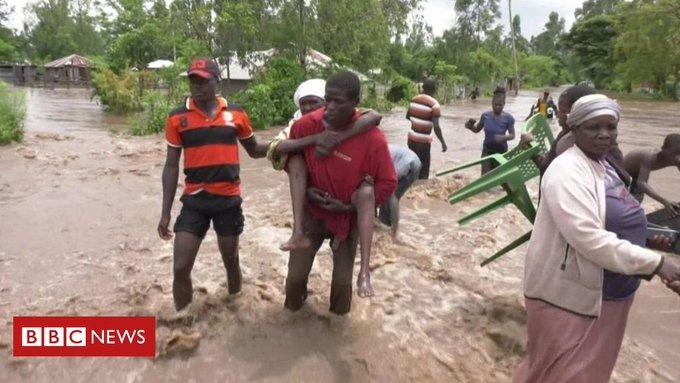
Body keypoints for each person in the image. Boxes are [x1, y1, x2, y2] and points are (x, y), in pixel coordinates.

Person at [514, 94, 680, 383]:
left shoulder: (604, 165)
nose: (605, 135)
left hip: (608, 294)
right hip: (568, 297)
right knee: (558, 374)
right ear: (575, 129)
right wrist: (657, 264)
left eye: (611, 126)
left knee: (584, 372)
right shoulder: (566, 172)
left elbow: (611, 219)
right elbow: (588, 238)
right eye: (594, 127)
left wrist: (646, 240)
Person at [158, 58, 270, 311]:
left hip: (228, 200)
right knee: (180, 267)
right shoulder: (177, 117)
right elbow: (171, 165)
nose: (197, 86)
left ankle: (234, 309)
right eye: (193, 80)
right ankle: (182, 320)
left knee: (231, 261)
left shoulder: (236, 113)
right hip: (194, 201)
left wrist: (289, 145)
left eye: (203, 81)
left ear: (217, 82)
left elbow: (254, 150)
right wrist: (165, 212)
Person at [284, 71, 397, 314]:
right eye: (328, 100)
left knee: (343, 284)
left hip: (346, 218)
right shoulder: (305, 126)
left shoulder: (373, 139)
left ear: (356, 103)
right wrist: (307, 193)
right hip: (312, 213)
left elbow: (387, 182)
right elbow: (293, 164)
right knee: (294, 279)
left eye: (339, 102)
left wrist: (348, 206)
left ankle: (337, 331)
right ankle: (292, 323)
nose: (330, 108)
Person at [266, 79, 382, 251]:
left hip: (343, 200)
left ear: (327, 102)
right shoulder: (298, 125)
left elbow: (374, 116)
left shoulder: (345, 118)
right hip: (310, 200)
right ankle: (298, 233)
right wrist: (315, 139)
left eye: (313, 102)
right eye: (303, 103)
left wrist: (338, 138)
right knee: (296, 160)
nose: (307, 108)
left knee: (342, 275)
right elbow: (272, 149)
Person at [624, 133, 680, 216]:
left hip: (637, 176)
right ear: (663, 149)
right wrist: (664, 201)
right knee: (624, 204)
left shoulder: (677, 160)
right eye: (674, 153)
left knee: (635, 203)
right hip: (622, 174)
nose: (677, 158)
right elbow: (642, 183)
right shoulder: (650, 156)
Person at [464, 87, 516, 175]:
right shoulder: (485, 116)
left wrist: (503, 137)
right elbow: (477, 129)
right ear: (492, 103)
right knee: (485, 178)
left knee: (499, 178)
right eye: (495, 104)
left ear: (504, 104)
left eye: (500, 105)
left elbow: (512, 135)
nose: (497, 107)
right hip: (487, 151)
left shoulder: (508, 118)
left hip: (501, 153)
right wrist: (470, 127)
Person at [378, 145, 421, 241]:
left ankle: (394, 232)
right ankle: (385, 225)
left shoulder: (376, 154)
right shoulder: (376, 149)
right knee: (385, 194)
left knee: (391, 194)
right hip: (412, 161)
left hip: (409, 164)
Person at [406, 79, 447, 179]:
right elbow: (436, 126)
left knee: (412, 170)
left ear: (423, 87)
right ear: (434, 89)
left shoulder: (414, 99)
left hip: (411, 140)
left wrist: (419, 120)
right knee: (423, 173)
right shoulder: (434, 104)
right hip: (423, 143)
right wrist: (443, 142)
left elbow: (408, 117)